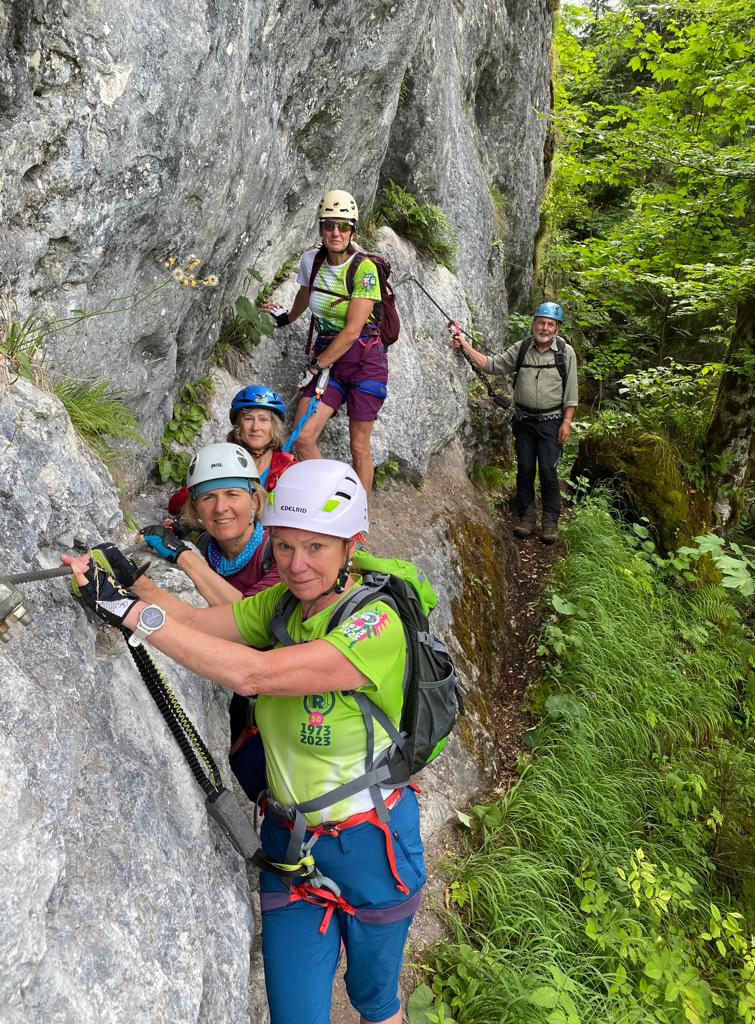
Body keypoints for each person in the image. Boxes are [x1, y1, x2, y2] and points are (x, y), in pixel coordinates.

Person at [63, 460, 423, 1024]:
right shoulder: (282, 603)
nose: (296, 565)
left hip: (372, 845)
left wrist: (128, 613)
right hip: (288, 843)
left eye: (316, 547)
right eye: (284, 547)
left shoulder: (375, 626)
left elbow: (253, 674)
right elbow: (193, 624)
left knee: (375, 1003)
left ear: (351, 546)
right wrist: (133, 582)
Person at [263, 189, 387, 495]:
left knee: (359, 445)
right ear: (320, 228)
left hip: (363, 362)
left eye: (343, 226)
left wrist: (316, 366)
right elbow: (306, 293)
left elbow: (352, 331)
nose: (335, 232)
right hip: (330, 361)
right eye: (329, 225)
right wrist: (287, 318)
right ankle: (327, 500)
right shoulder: (312, 261)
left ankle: (358, 514)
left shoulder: (364, 269)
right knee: (303, 436)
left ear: (352, 230)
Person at [451, 301, 578, 544]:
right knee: (526, 468)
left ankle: (550, 521)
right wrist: (465, 346)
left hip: (552, 422)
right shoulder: (522, 348)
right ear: (534, 324)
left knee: (549, 470)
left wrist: (567, 421)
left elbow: (571, 390)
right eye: (541, 322)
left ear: (557, 328)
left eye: (550, 324)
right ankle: (527, 517)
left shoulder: (565, 352)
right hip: (524, 421)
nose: (545, 328)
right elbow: (492, 365)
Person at [141, 443, 279, 604]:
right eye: (208, 497)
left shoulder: (279, 551)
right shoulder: (202, 545)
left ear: (254, 501)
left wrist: (181, 554)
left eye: (232, 494)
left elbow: (250, 615)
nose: (220, 508)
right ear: (196, 508)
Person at [167, 385, 296, 519]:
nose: (255, 427)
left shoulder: (289, 468)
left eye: (263, 420)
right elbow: (175, 506)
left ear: (274, 426)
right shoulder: (219, 459)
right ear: (239, 425)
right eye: (248, 419)